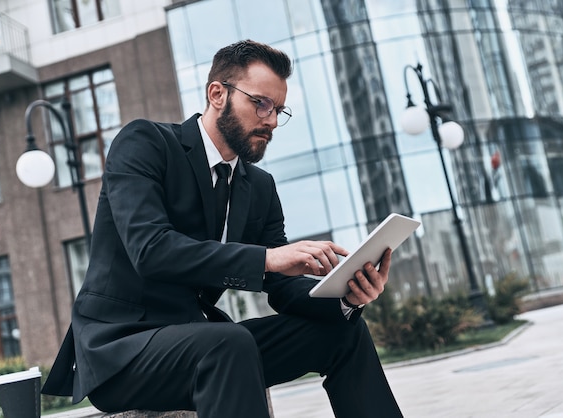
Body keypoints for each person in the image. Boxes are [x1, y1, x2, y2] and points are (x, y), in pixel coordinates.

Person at [42, 39, 403, 418]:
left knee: (344, 333)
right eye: (261, 103)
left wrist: (346, 296)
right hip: (123, 348)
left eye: (279, 110)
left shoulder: (259, 187)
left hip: (202, 341)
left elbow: (280, 285)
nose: (272, 120)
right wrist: (269, 258)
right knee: (227, 343)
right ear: (218, 94)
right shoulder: (145, 143)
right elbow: (151, 250)